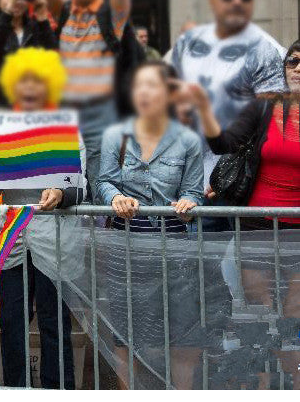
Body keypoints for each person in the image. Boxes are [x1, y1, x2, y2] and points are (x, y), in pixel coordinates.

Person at [176, 41, 300, 388]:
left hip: (299, 226)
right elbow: (224, 145)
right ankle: (262, 386)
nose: (299, 68)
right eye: (293, 61)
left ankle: (292, 380)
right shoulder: (264, 108)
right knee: (259, 310)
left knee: (293, 313)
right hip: (256, 222)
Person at [1, 0, 139, 201]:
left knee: (102, 186)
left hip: (101, 116)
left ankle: (99, 244)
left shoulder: (112, 14)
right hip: (64, 117)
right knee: (67, 188)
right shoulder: (62, 12)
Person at [96, 61, 205, 389]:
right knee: (126, 333)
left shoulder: (188, 140)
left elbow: (194, 192)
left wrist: (188, 205)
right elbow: (103, 182)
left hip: (174, 247)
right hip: (126, 247)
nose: (144, 93)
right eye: (138, 86)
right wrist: (115, 198)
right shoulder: (116, 135)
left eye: (152, 86)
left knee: (182, 331)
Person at [0, 47, 85, 389]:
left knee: (54, 321)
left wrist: (61, 194)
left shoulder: (66, 129)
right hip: (12, 239)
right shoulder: (0, 129)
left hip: (54, 237)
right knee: (12, 321)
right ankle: (14, 390)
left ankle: (58, 391)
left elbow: (82, 186)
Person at [170, 0, 286, 230]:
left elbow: (272, 121)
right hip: (195, 181)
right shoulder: (189, 46)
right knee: (200, 263)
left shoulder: (265, 50)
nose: (236, 1)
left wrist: (225, 174)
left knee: (249, 263)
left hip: (242, 182)